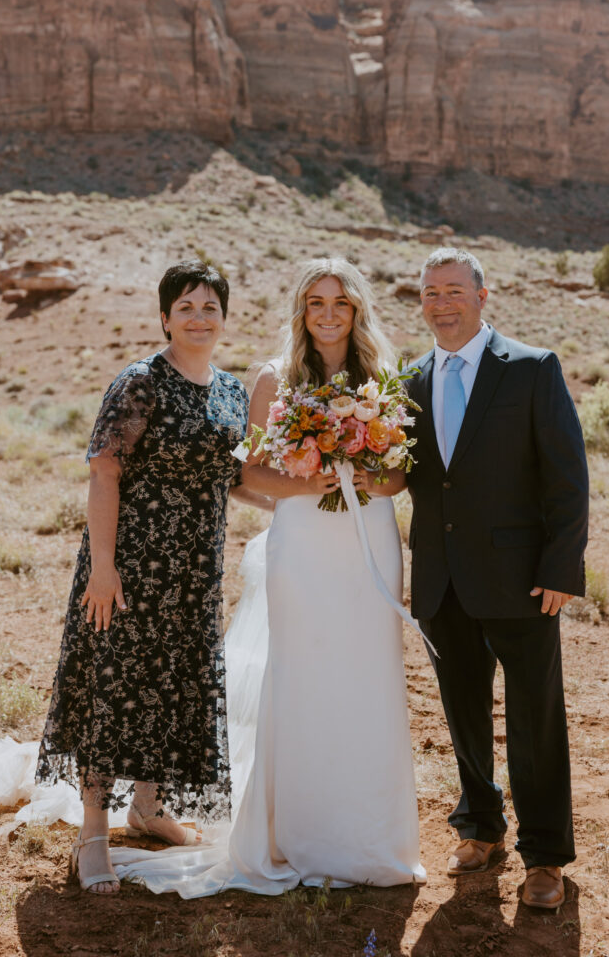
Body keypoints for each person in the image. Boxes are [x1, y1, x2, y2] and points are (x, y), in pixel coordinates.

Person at [100, 256, 425, 896]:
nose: (328, 314)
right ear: (301, 313)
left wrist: (364, 477)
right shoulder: (276, 379)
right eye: (316, 303)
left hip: (368, 544)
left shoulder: (385, 379)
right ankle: (295, 834)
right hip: (303, 545)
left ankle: (370, 838)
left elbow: (399, 475)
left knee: (369, 677)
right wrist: (313, 480)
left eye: (340, 303)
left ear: (357, 311)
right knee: (301, 676)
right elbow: (248, 474)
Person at [36, 259, 256, 894]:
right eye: (185, 306)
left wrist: (311, 497)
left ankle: (149, 808)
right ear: (164, 317)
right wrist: (101, 571)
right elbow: (104, 471)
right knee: (117, 683)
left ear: (224, 319)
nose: (198, 317)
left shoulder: (232, 392)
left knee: (173, 678)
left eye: (210, 306)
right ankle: (94, 832)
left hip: (194, 569)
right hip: (129, 563)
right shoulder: (140, 383)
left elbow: (234, 478)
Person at [405, 247, 588, 911]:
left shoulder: (532, 368)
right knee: (461, 712)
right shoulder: (410, 379)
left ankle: (544, 855)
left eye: (453, 290)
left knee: (535, 719)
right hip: (441, 580)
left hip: (523, 579)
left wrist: (562, 567)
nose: (440, 302)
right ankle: (479, 827)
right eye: (429, 293)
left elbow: (566, 475)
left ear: (483, 297)